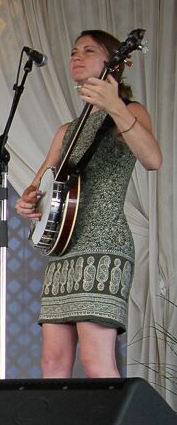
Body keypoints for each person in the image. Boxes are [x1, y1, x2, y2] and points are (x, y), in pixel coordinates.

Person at [16, 30, 161, 378]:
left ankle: (110, 418)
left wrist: (115, 106)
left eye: (88, 50)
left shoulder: (130, 112)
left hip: (104, 243)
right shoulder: (67, 130)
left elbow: (153, 159)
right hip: (63, 248)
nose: (77, 57)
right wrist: (28, 201)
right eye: (73, 51)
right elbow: (39, 184)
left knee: (96, 362)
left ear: (114, 63)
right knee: (52, 362)